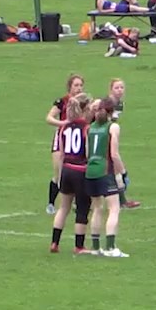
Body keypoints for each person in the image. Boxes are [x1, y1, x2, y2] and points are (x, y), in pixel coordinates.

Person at [50, 94, 94, 254]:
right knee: (82, 208)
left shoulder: (63, 127)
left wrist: (61, 175)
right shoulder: (86, 128)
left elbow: (61, 153)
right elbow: (88, 153)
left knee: (63, 207)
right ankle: (79, 246)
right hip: (80, 170)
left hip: (67, 170)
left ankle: (55, 242)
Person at [85, 97, 129, 257]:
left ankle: (96, 247)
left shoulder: (90, 128)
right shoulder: (113, 127)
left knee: (97, 208)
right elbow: (114, 154)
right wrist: (122, 173)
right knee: (114, 208)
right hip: (105, 171)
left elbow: (88, 153)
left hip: (90, 171)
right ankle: (110, 247)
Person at [46, 75, 86, 215]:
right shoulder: (62, 101)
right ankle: (51, 203)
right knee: (59, 172)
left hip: (78, 139)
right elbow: (49, 118)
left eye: (81, 85)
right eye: (76, 85)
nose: (79, 88)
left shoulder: (84, 102)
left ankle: (76, 202)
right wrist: (63, 123)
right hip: (63, 138)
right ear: (70, 86)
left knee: (78, 170)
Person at [107, 79, 140, 209]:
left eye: (121, 87)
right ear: (111, 90)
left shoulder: (120, 104)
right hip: (99, 136)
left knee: (114, 169)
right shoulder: (107, 103)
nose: (120, 90)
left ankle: (122, 201)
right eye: (116, 87)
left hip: (109, 136)